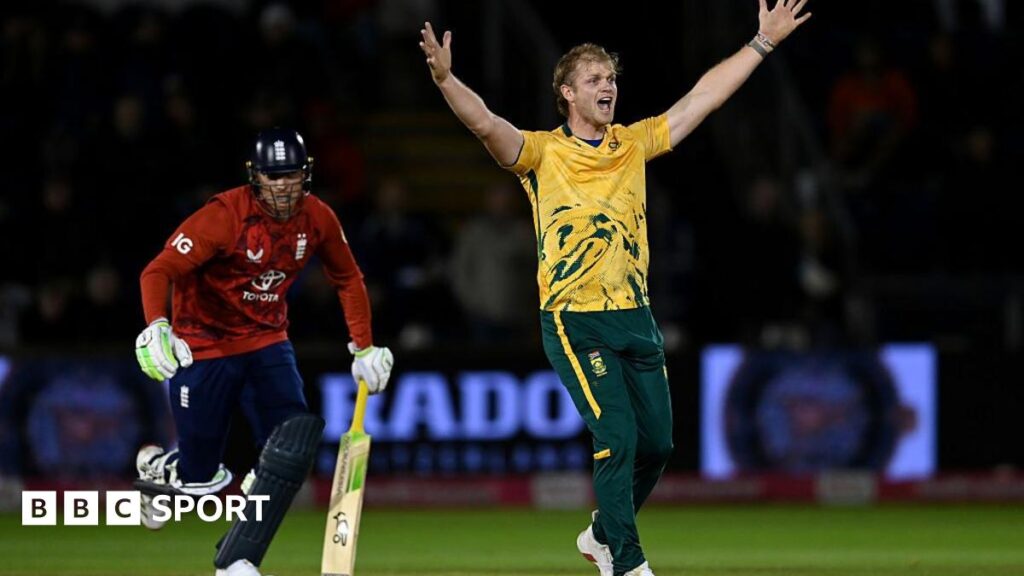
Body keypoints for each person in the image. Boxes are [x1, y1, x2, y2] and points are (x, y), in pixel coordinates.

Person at [419, 1, 811, 574]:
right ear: (567, 94)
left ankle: (601, 534)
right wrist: (447, 79)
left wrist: (762, 42)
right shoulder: (541, 153)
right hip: (574, 319)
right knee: (618, 438)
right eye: (594, 80)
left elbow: (703, 98)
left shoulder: (633, 144)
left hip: (636, 315)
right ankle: (627, 562)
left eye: (611, 79)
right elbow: (485, 124)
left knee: (658, 446)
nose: (608, 88)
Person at [133, 128, 394, 576]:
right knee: (199, 480)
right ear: (256, 178)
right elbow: (158, 271)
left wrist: (364, 347)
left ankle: (237, 560)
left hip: (267, 341)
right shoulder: (223, 216)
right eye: (274, 177)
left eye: (291, 175)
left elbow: (348, 278)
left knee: (290, 446)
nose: (283, 186)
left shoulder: (317, 217)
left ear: (305, 175)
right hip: (204, 345)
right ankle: (161, 469)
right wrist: (158, 324)